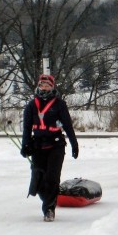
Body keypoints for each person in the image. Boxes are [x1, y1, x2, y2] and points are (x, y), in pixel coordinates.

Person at [21, 74, 79, 222]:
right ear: (38, 86)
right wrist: (25, 145)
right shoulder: (31, 105)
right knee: (38, 178)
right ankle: (47, 198)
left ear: (52, 87)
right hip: (38, 145)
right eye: (42, 85)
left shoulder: (59, 104)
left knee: (52, 178)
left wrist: (74, 144)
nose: (44, 87)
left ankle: (49, 209)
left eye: (47, 85)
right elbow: (27, 127)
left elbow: (68, 125)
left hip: (56, 145)